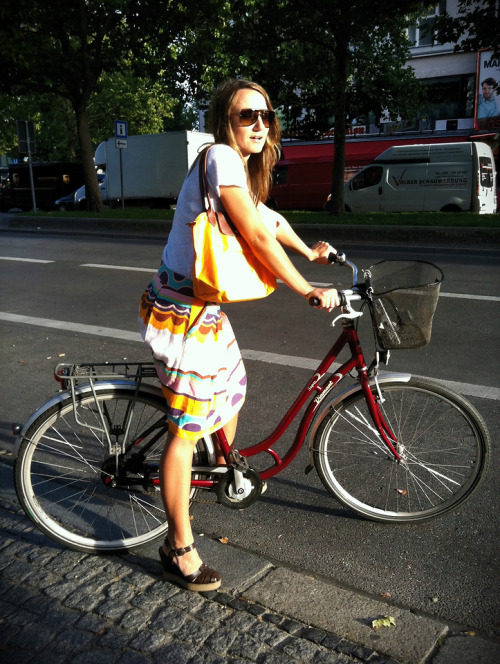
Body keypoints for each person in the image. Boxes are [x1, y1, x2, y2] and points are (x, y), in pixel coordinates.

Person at [139, 79, 339, 592]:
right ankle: (177, 546)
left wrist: (308, 250)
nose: (258, 123)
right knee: (185, 430)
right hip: (181, 315)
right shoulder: (221, 157)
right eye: (246, 114)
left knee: (230, 387)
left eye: (266, 115)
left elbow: (267, 220)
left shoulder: (237, 168)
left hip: (200, 310)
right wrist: (305, 287)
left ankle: (216, 461)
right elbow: (251, 233)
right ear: (224, 120)